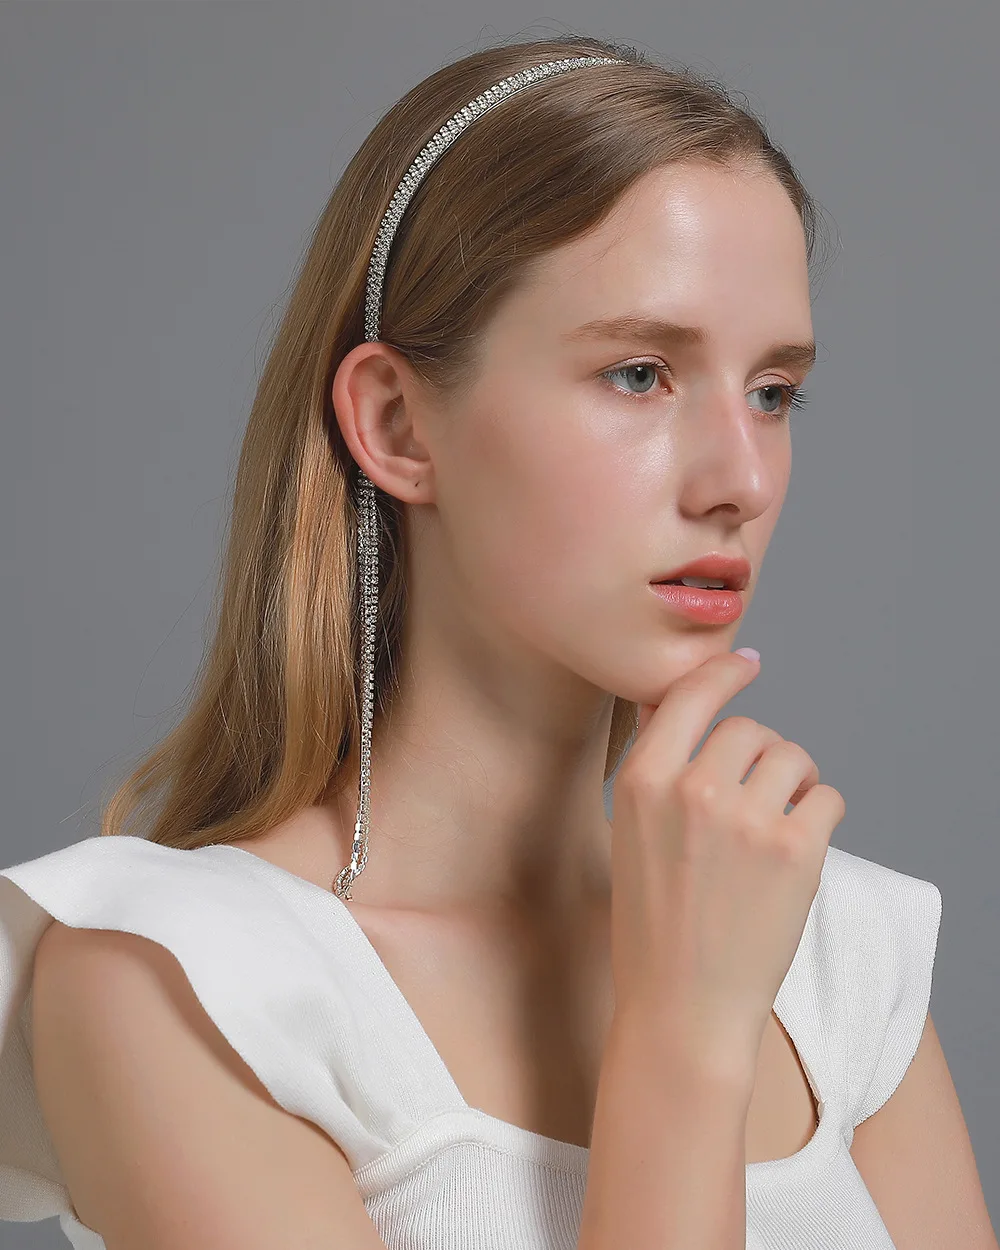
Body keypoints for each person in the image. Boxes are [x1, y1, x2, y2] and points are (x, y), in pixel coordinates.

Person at [0, 31, 994, 1250]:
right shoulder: (183, 982)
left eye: (772, 392)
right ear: (397, 423)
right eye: (640, 373)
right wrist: (683, 1039)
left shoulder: (830, 944)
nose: (740, 478)